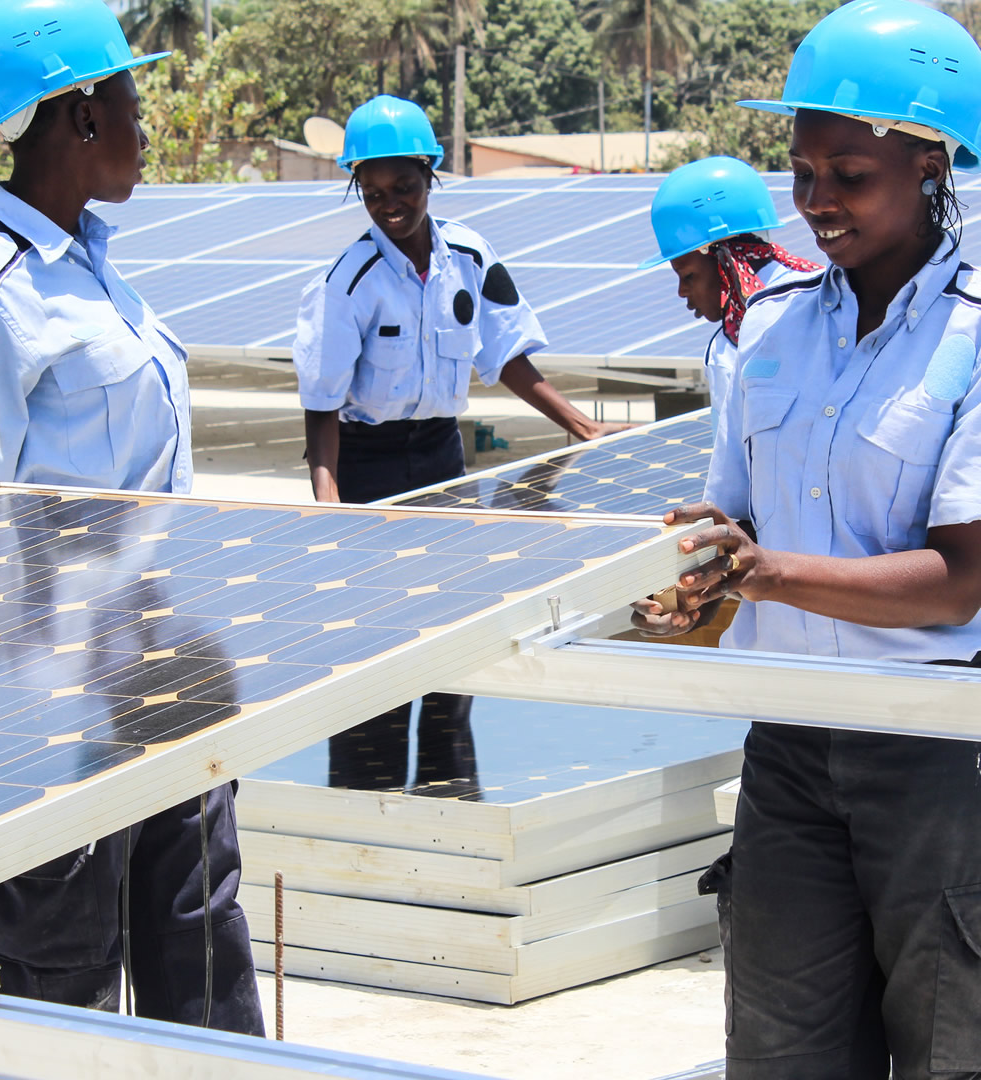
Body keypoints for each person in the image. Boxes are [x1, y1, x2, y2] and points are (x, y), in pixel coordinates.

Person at [633, 1, 981, 1076]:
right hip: (787, 746)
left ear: (931, 163)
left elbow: (960, 581)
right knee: (783, 1050)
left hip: (936, 753)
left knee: (947, 1046)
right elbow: (734, 528)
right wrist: (699, 587)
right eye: (802, 173)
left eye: (850, 174)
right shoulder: (772, 332)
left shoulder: (975, 339)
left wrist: (768, 571)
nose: (818, 201)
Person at [0, 0, 264, 1034]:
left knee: (199, 937)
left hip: (169, 657)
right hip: (64, 689)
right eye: (130, 104)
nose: (143, 128)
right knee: (65, 962)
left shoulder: (97, 271)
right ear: (81, 115)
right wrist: (50, 695)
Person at [293, 94, 628, 791]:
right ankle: (367, 809)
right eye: (373, 192)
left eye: (404, 187)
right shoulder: (347, 282)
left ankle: (450, 803)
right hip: (367, 467)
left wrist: (582, 426)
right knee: (375, 655)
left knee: (452, 648)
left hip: (443, 462)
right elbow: (321, 406)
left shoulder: (470, 257)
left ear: (431, 176)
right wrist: (329, 506)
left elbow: (504, 353)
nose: (390, 205)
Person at [639, 156, 821, 419]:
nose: (681, 292)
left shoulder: (731, 348)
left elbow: (732, 443)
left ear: (723, 258)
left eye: (688, 276)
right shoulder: (830, 290)